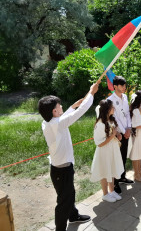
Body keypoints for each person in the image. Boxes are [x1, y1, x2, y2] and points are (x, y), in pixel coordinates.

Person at [38, 82, 99, 231]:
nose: (62, 107)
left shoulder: (48, 123)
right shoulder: (58, 124)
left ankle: (73, 216)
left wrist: (73, 106)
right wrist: (91, 93)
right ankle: (60, 228)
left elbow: (63, 118)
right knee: (64, 200)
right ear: (54, 111)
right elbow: (78, 114)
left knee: (68, 194)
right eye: (60, 106)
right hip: (62, 170)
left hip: (59, 168)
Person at [91, 100, 123, 203]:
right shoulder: (100, 124)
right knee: (105, 171)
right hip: (104, 151)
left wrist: (117, 135)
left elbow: (112, 133)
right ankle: (105, 194)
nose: (114, 108)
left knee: (112, 169)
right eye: (112, 107)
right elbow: (99, 143)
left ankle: (112, 190)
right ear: (107, 109)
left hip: (112, 150)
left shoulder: (110, 120)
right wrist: (113, 135)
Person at [107, 76, 134, 194]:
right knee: (116, 158)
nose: (124, 87)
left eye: (125, 85)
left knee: (123, 155)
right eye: (122, 85)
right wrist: (123, 131)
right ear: (115, 86)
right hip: (118, 133)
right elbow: (114, 117)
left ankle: (122, 176)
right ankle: (115, 182)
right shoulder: (110, 100)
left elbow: (127, 113)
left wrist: (129, 127)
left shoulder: (125, 97)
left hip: (126, 130)